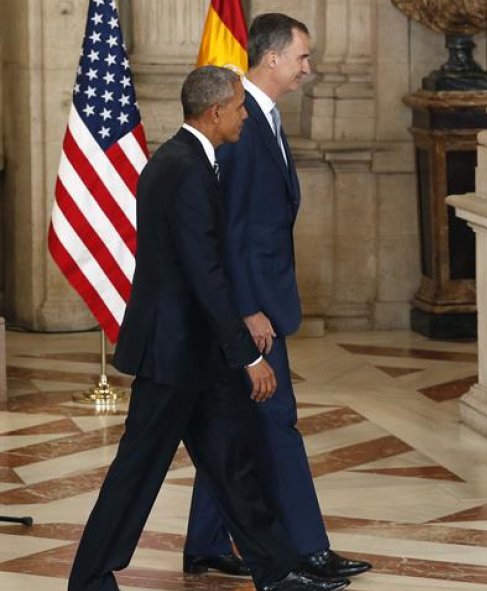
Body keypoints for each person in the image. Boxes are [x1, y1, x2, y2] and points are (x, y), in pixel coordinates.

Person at [67, 66, 348, 591]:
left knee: (232, 464)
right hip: (172, 355)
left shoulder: (190, 159)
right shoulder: (185, 168)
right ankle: (89, 578)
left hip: (196, 353)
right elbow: (204, 273)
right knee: (138, 471)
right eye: (239, 107)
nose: (245, 115)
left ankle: (276, 569)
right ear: (215, 111)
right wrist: (248, 355)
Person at [182, 14, 371, 582]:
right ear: (271, 59)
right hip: (252, 312)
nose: (308, 68)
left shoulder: (266, 119)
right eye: (302, 58)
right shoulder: (240, 127)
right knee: (276, 423)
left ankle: (206, 543)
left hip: (261, 300)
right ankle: (307, 550)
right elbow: (229, 228)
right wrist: (246, 309)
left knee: (237, 423)